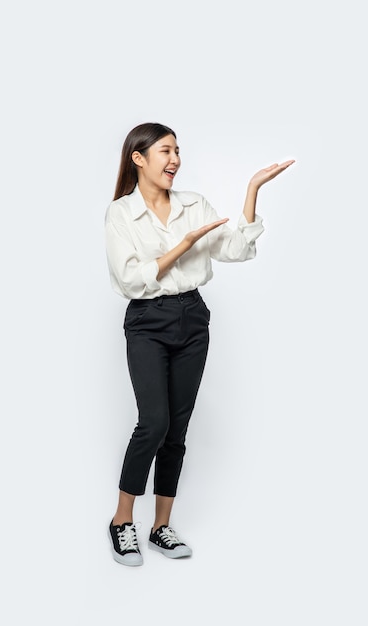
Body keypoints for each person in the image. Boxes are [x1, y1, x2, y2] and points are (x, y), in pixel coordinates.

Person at [104, 122, 294, 566]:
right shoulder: (120, 214)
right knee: (152, 422)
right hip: (147, 321)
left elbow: (236, 250)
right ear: (139, 158)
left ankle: (160, 528)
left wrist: (252, 189)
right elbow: (130, 277)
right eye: (165, 151)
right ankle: (121, 521)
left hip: (192, 316)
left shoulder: (193, 204)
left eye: (177, 151)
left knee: (177, 428)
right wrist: (184, 245)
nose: (175, 160)